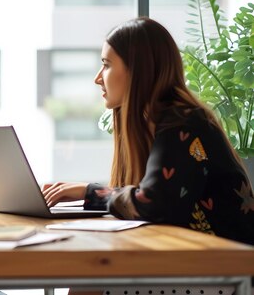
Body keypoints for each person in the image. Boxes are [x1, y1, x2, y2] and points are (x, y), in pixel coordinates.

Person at [42, 16, 254, 245]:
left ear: (137, 70)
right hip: (203, 263)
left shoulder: (183, 123)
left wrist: (91, 192)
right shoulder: (157, 122)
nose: (97, 78)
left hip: (231, 269)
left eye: (106, 64)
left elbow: (155, 204)